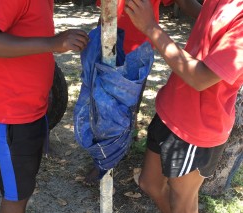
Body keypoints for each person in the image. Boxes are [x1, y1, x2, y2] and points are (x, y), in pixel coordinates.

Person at [0, 0, 89, 213]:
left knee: (22, 187)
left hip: (28, 111)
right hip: (6, 115)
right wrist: (52, 43)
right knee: (16, 196)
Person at [125, 0, 243, 213]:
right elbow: (208, 17)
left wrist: (151, 27)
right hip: (173, 105)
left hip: (198, 125)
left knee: (184, 207)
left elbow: (201, 78)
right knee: (149, 183)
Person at [84, 0, 201, 186]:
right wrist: (98, 43)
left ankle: (122, 142)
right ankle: (105, 161)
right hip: (109, 47)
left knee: (130, 104)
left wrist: (212, 20)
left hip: (139, 51)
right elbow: (105, 12)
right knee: (105, 104)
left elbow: (185, 3)